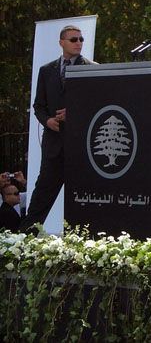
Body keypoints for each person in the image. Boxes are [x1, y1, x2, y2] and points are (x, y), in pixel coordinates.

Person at [20, 25, 96, 234]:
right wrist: (47, 121)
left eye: (81, 39)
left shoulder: (92, 68)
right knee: (43, 192)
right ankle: (24, 238)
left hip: (80, 145)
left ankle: (82, 240)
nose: (79, 43)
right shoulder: (47, 70)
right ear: (61, 42)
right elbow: (38, 106)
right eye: (73, 39)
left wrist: (74, 114)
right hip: (54, 143)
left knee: (83, 195)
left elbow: (99, 104)